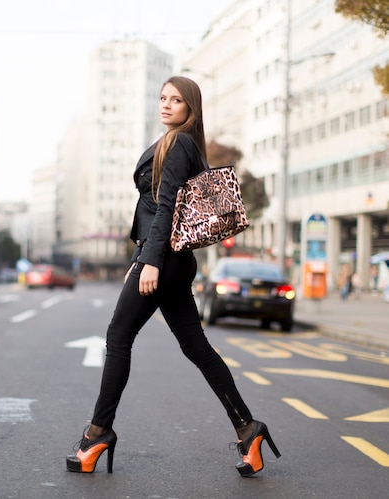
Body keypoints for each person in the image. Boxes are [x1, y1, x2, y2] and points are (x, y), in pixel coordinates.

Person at [66, 76, 280, 477]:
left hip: (162, 257)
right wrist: (150, 256)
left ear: (190, 108)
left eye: (176, 100)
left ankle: (97, 435)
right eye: (163, 98)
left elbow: (167, 207)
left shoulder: (180, 143)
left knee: (118, 337)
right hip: (171, 258)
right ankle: (248, 429)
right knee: (196, 347)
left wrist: (150, 261)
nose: (166, 105)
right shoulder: (180, 143)